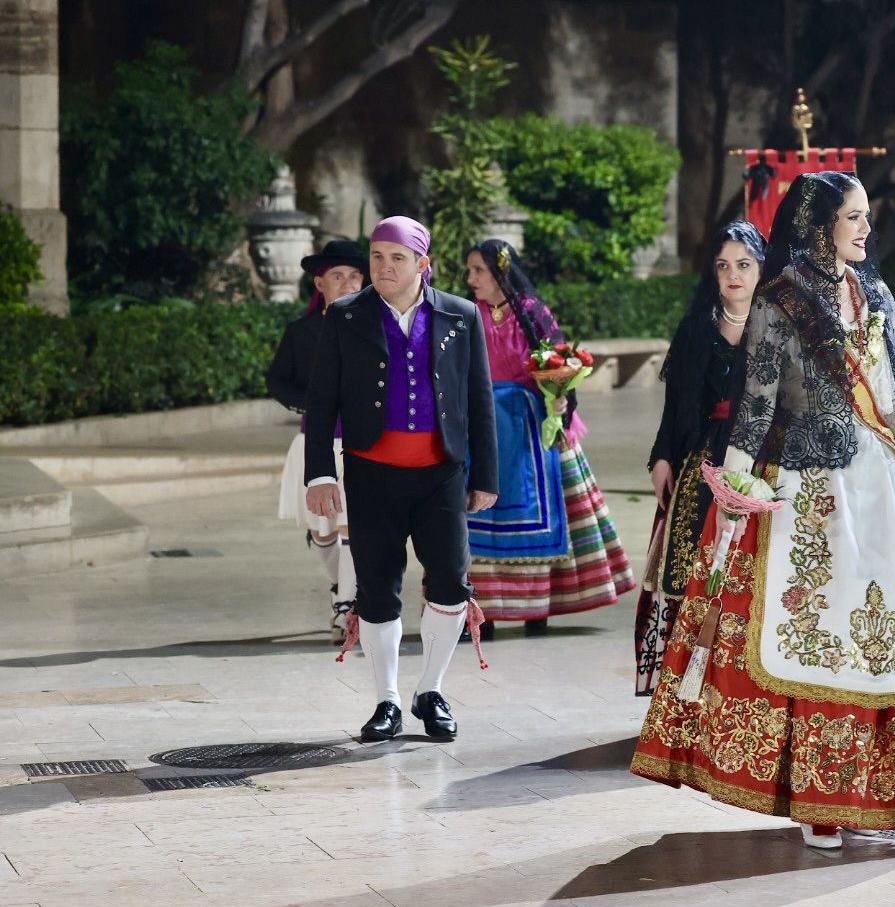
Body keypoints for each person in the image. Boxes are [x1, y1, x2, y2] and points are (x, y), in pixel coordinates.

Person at [631, 171, 895, 850]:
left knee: (888, 638)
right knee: (818, 636)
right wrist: (734, 492)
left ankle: (872, 790)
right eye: (852, 217)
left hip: (878, 484)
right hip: (809, 490)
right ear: (818, 224)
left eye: (866, 217)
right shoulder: (779, 302)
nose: (865, 228)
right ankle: (817, 802)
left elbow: (892, 402)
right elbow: (756, 406)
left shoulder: (878, 293)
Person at [304, 216, 498, 742]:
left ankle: (430, 690)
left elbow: (479, 400)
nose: (384, 268)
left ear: (422, 264)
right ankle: (386, 699)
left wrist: (486, 475)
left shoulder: (460, 315)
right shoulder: (345, 316)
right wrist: (320, 473)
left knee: (452, 584)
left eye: (397, 258)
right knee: (377, 589)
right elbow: (320, 404)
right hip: (370, 476)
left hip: (442, 476)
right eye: (377, 258)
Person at [462, 240, 636, 633]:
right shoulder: (469, 314)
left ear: (500, 273)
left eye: (478, 270)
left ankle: (537, 605)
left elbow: (555, 359)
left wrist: (560, 400)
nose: (470, 278)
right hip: (483, 427)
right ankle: (481, 610)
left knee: (542, 511)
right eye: (470, 271)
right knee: (478, 516)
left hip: (530, 428)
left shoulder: (531, 312)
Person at [635, 220, 766, 695]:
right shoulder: (698, 327)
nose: (733, 275)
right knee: (694, 569)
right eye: (723, 266)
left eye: (744, 265)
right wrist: (662, 458)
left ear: (761, 269)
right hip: (704, 462)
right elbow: (677, 405)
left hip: (764, 461)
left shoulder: (779, 326)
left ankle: (747, 688)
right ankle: (686, 691)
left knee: (754, 573)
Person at [266, 238, 367, 643]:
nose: (346, 284)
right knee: (323, 532)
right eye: (337, 277)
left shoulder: (376, 327)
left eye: (354, 276)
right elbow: (278, 380)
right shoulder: (302, 331)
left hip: (361, 444)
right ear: (319, 283)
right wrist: (310, 403)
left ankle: (347, 605)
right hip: (317, 442)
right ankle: (341, 589)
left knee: (350, 529)